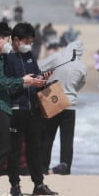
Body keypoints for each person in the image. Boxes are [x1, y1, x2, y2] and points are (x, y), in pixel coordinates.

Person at [0, 22, 38, 196]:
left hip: (3, 106)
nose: (8, 42)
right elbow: (1, 82)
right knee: (2, 148)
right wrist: (23, 81)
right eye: (6, 39)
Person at [3, 22, 57, 196]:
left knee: (36, 147)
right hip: (16, 109)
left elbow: (37, 76)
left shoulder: (30, 55)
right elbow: (6, 85)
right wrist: (26, 82)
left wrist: (43, 79)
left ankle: (39, 184)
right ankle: (15, 185)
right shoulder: (6, 58)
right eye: (27, 40)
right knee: (15, 149)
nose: (29, 44)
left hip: (33, 108)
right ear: (16, 39)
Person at [39, 40, 87, 175]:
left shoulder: (57, 58)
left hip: (53, 100)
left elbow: (39, 68)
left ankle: (43, 167)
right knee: (67, 140)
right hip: (70, 105)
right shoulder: (82, 66)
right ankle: (66, 169)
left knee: (48, 137)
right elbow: (80, 86)